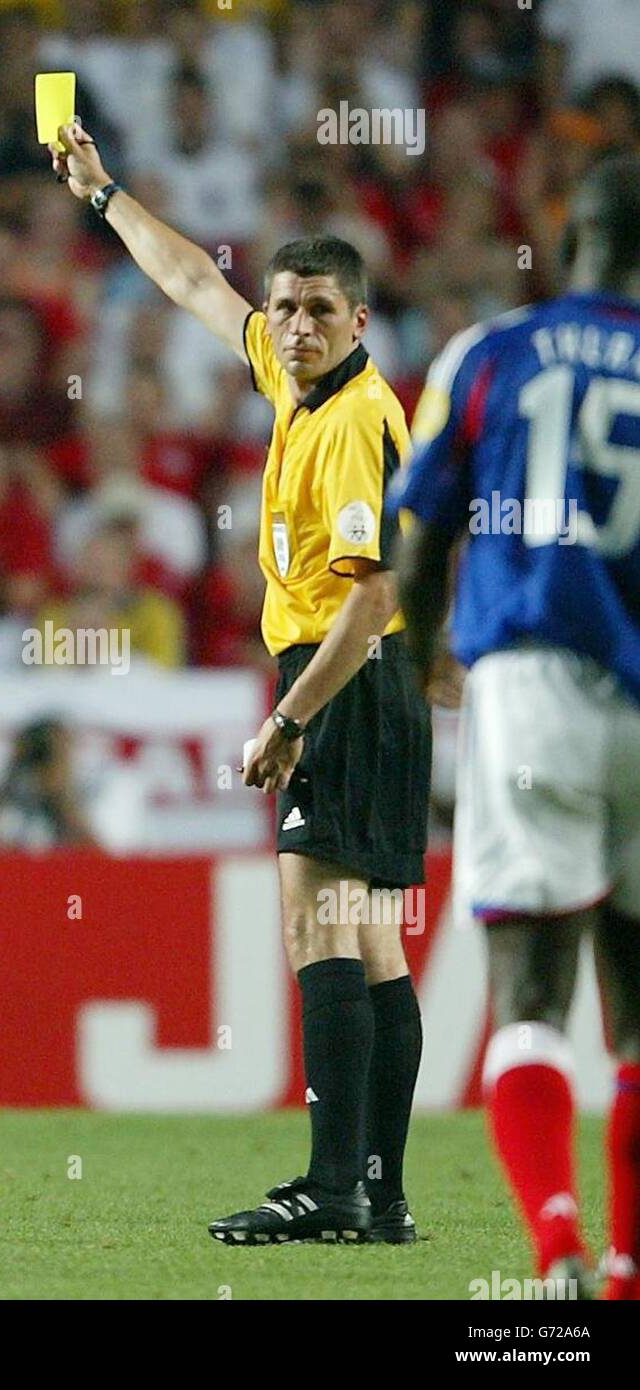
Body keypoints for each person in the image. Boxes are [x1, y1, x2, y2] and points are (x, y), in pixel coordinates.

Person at [49, 121, 429, 1245]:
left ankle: (331, 1184)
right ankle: (378, 1191)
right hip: (366, 677)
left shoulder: (356, 420)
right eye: (286, 307)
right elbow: (188, 281)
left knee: (321, 923)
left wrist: (286, 718)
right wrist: (106, 190)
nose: (295, 326)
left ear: (360, 321)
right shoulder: (297, 383)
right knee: (369, 936)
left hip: (342, 675)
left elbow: (365, 594)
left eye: (320, 309)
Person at [393, 153, 640, 1299]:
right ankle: (631, 1266)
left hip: (532, 680)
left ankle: (556, 1245)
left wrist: (427, 647)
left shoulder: (491, 353)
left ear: (570, 227)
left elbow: (422, 527)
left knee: (531, 994)